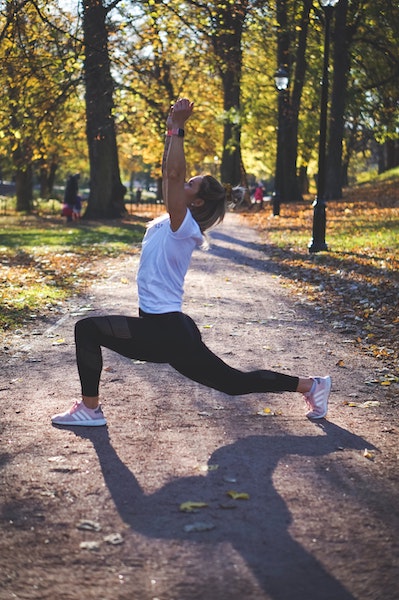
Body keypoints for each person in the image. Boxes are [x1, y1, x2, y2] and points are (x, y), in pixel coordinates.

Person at [51, 98, 331, 428]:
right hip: (163, 328)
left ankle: (90, 410)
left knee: (88, 330)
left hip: (165, 330)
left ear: (196, 201)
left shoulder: (183, 225)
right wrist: (171, 128)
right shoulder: (173, 218)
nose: (180, 183)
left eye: (189, 184)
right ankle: (313, 385)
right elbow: (168, 172)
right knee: (233, 383)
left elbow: (172, 173)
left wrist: (178, 128)